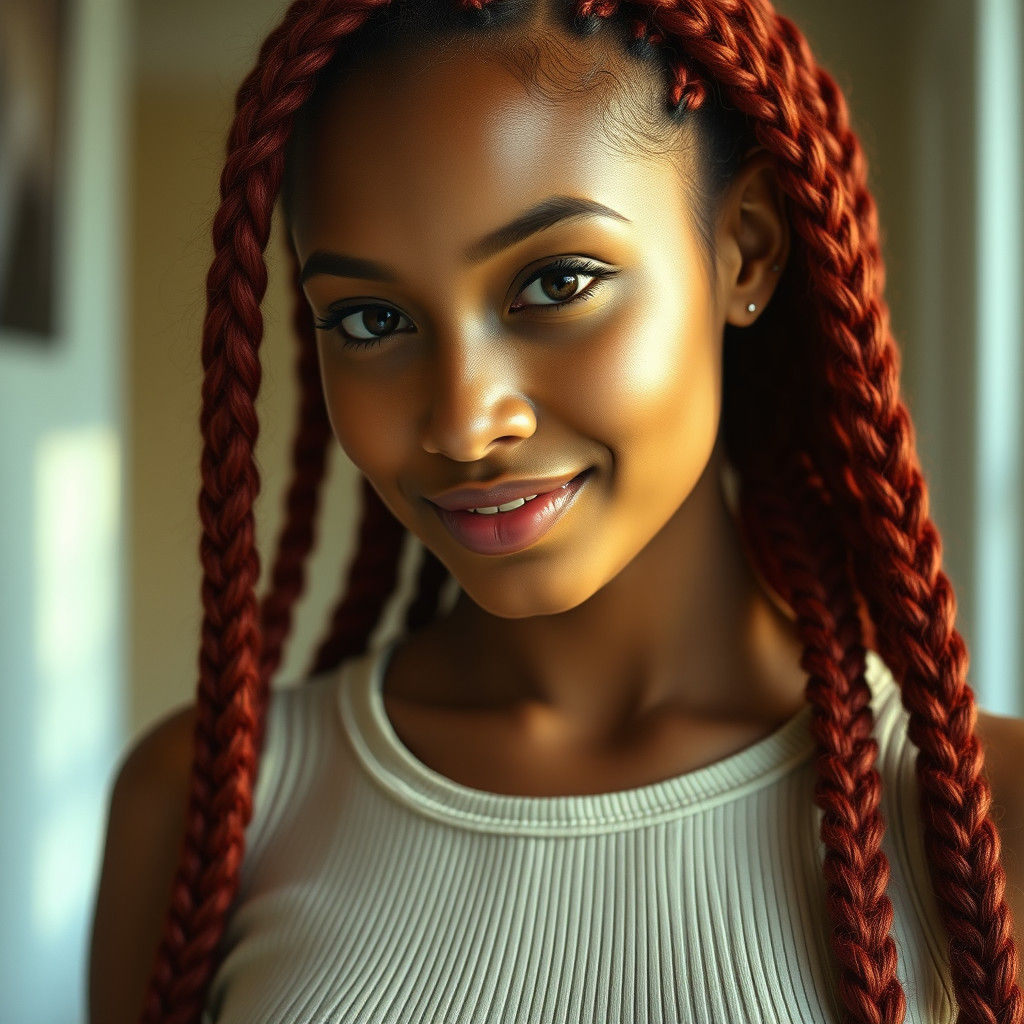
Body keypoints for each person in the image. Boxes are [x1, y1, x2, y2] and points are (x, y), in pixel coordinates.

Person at [88, 0, 1024, 1021]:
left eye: (556, 281)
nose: (464, 421)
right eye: (370, 318)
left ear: (747, 248)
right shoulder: (198, 810)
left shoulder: (986, 831)